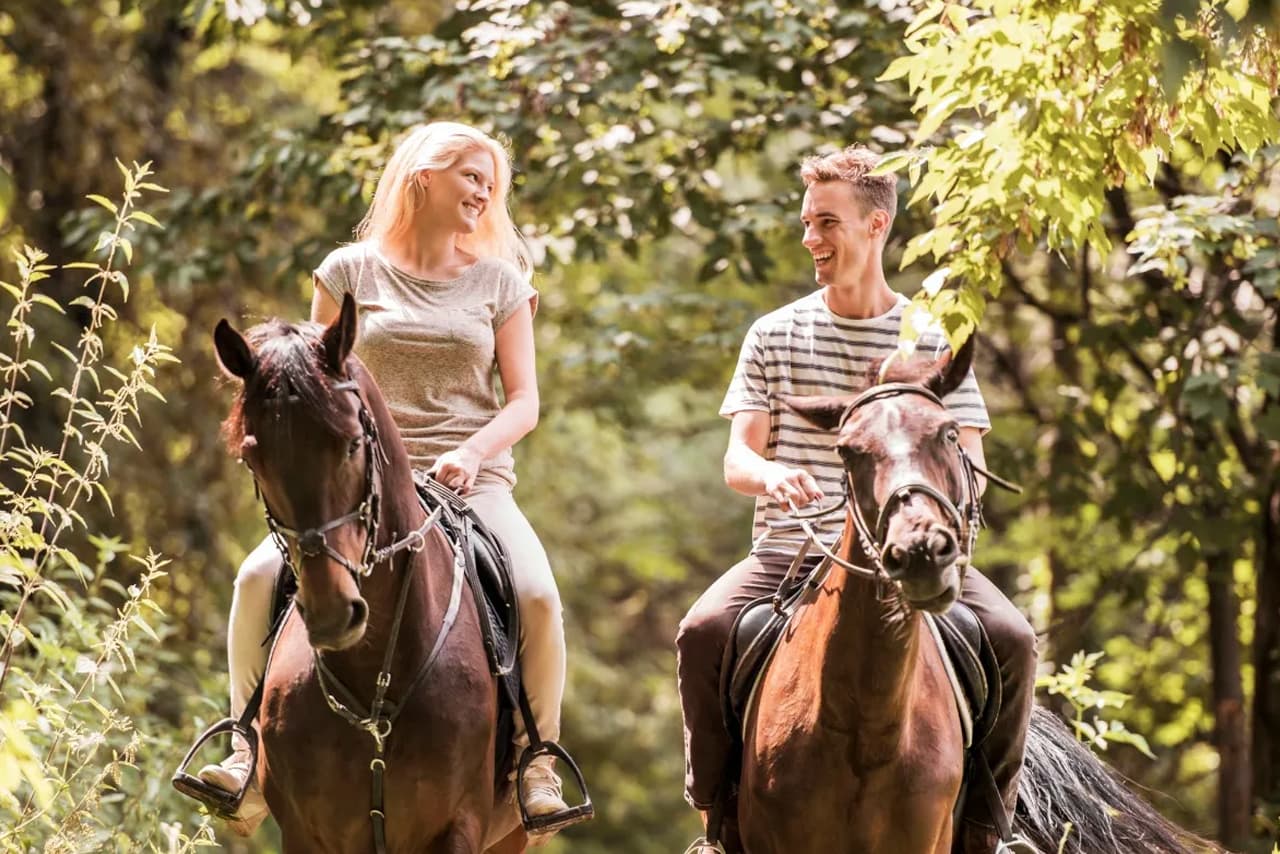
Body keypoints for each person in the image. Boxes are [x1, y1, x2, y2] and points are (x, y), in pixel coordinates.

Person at [194, 121, 572, 839]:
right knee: (254, 578)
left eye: (491, 182)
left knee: (537, 594)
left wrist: (470, 450)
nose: (486, 191)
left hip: (472, 482)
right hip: (356, 486)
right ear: (424, 176)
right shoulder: (348, 272)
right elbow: (306, 383)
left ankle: (536, 762)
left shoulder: (500, 283)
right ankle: (244, 748)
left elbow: (525, 400)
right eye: (471, 175)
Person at [674, 145, 1038, 853]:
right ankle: (718, 826)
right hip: (790, 549)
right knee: (702, 630)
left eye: (826, 223)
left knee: (1015, 641)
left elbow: (970, 463)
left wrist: (934, 533)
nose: (811, 238)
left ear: (876, 225)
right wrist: (773, 475)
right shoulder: (774, 333)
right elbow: (738, 456)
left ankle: (989, 834)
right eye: (807, 223)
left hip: (910, 551)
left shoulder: (931, 337)